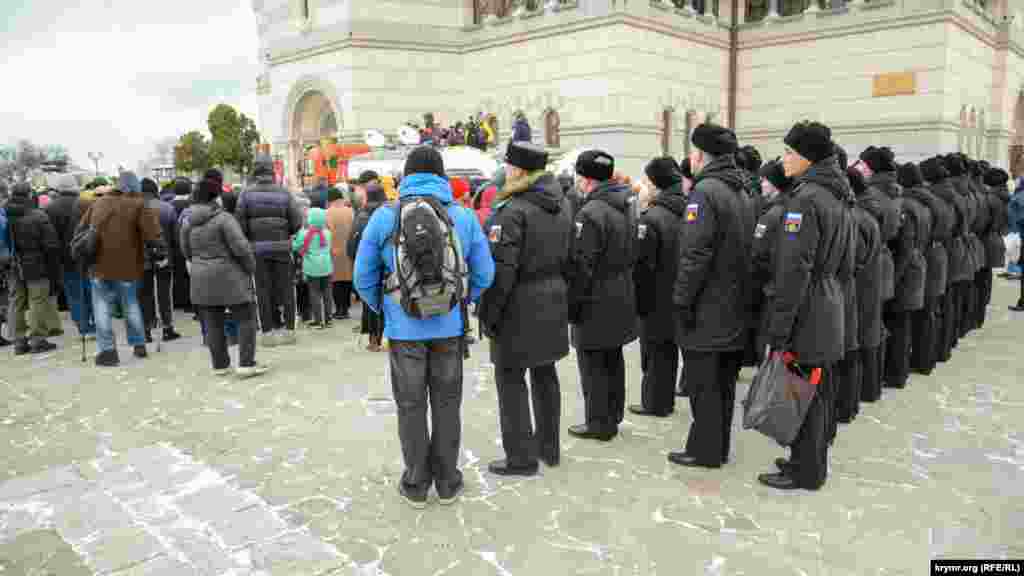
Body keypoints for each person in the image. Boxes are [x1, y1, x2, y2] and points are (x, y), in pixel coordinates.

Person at [354, 145, 494, 508]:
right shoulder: (462, 217)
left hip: (404, 331)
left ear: (407, 175)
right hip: (449, 328)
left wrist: (386, 308)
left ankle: (416, 484)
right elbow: (485, 273)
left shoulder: (385, 217)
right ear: (442, 176)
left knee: (410, 406)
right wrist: (460, 300)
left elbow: (362, 276)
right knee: (447, 405)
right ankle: (448, 482)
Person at [760, 121, 849, 491]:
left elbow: (794, 270)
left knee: (803, 392)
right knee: (816, 389)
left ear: (807, 158)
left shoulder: (805, 200)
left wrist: (780, 327)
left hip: (807, 308)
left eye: (789, 152)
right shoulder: (837, 194)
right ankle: (807, 460)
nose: (784, 159)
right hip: (828, 300)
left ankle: (806, 471)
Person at [479, 141, 571, 476]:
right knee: (545, 374)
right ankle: (549, 448)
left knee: (510, 379)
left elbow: (502, 272)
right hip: (553, 298)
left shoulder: (513, 210)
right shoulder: (562, 204)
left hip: (518, 306)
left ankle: (520, 457)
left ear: (518, 170)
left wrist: (488, 315)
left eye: (508, 166)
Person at [668, 124, 753, 468]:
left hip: (707, 305)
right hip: (734, 302)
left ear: (702, 155)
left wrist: (682, 299)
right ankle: (717, 447)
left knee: (704, 383)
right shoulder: (741, 189)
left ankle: (704, 450)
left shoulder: (705, 192)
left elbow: (695, 253)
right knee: (724, 384)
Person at [567, 150, 638, 442]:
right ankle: (613, 415)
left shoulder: (591, 212)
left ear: (586, 180)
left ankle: (599, 423)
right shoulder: (625, 203)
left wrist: (573, 305)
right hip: (621, 290)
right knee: (612, 358)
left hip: (595, 297)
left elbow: (582, 265)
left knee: (593, 362)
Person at [181, 177, 267, 378]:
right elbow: (241, 248)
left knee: (212, 321)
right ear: (215, 197)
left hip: (201, 277)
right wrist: (250, 268)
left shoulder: (187, 222)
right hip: (230, 276)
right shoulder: (224, 219)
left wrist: (200, 263)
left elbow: (186, 251)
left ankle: (220, 365)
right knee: (245, 317)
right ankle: (246, 363)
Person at [76, 172, 163, 366]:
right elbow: (153, 235)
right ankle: (139, 344)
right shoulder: (138, 204)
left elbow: (81, 230)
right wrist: (160, 253)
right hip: (128, 265)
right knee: (130, 303)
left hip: (98, 265)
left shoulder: (98, 203)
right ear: (134, 187)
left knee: (101, 307)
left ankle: (107, 351)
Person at [630, 157, 686, 418]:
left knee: (653, 351)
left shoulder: (652, 217)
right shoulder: (686, 208)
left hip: (654, 295)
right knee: (668, 350)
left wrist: (638, 301)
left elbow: (643, 265)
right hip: (678, 290)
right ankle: (664, 399)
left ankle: (654, 402)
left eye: (646, 182)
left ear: (655, 185)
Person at [237, 153, 304, 347]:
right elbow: (297, 221)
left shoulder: (245, 194)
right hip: (282, 248)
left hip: (257, 250)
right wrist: (285, 233)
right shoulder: (284, 193)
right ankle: (290, 331)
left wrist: (251, 238)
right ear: (271, 169)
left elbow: (240, 224)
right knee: (287, 289)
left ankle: (267, 333)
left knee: (262, 290)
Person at [899, 163, 948, 378]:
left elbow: (907, 244)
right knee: (930, 312)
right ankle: (927, 358)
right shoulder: (932, 202)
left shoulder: (911, 204)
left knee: (915, 317)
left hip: (919, 259)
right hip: (933, 256)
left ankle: (919, 361)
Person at [6, 183, 61, 354]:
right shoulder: (38, 215)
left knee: (16, 301)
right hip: (37, 264)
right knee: (37, 300)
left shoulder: (4, 214)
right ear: (29, 194)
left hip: (12, 263)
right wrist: (54, 268)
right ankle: (38, 339)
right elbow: (51, 245)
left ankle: (19, 341)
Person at [45, 174, 95, 339]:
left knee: (74, 294)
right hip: (87, 255)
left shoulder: (50, 208)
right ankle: (95, 323)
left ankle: (83, 327)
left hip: (66, 258)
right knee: (91, 291)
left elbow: (51, 238)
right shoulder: (87, 203)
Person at [348, 183, 389, 351]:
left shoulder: (361, 217)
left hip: (368, 267)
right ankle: (389, 337)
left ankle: (373, 340)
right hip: (388, 267)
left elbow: (351, 246)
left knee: (370, 303)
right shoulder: (390, 214)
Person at [140, 177, 180, 343]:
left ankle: (146, 330)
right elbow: (176, 237)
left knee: (145, 295)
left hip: (142, 259)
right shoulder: (168, 208)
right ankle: (167, 328)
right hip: (164, 256)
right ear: (155, 191)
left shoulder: (135, 209)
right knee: (165, 294)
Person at [292, 207, 334, 328]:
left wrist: (293, 239)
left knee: (314, 293)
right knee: (327, 293)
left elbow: (295, 246)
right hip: (326, 265)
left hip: (312, 267)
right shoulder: (327, 233)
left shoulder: (304, 234)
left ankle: (318, 320)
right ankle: (328, 319)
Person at [981, 166, 1009, 319]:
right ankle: (984, 303)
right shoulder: (1003, 197)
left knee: (981, 275)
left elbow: (983, 222)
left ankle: (981, 305)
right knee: (987, 275)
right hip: (996, 237)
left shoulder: (990, 199)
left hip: (986, 239)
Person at [326, 187, 354, 320]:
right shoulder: (350, 211)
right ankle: (346, 308)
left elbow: (326, 233)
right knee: (347, 279)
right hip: (348, 250)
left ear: (330, 200)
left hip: (334, 251)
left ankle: (339, 309)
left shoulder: (328, 213)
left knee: (336, 281)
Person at [169, 177, 193, 311]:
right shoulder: (192, 205)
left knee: (177, 274)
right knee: (189, 275)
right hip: (190, 244)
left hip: (174, 245)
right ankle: (190, 301)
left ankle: (178, 300)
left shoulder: (169, 205)